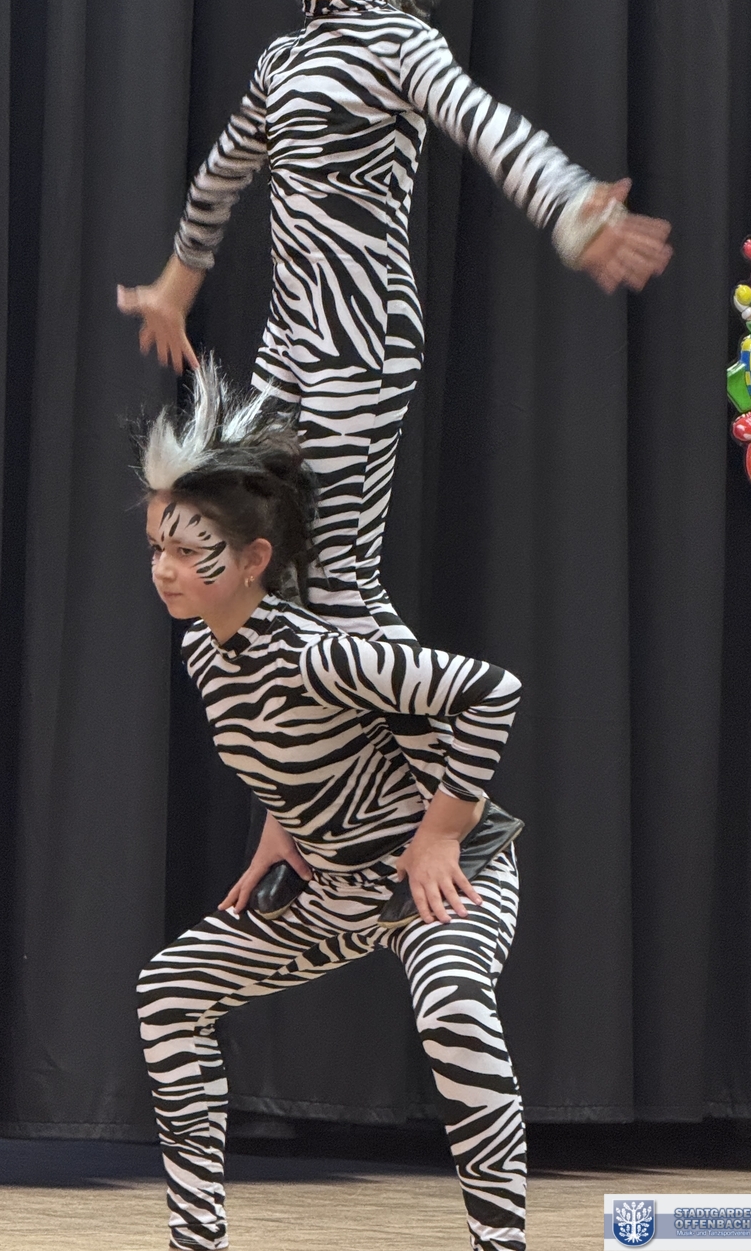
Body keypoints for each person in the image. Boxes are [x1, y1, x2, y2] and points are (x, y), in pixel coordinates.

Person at [118, 0, 672, 643]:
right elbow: (221, 176)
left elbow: (484, 124)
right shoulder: (281, 63)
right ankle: (343, 726)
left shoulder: (400, 44)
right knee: (265, 559)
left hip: (363, 337)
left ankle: (458, 721)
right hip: (292, 337)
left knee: (339, 580)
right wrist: (174, 290)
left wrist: (571, 206)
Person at [137, 358, 526, 1251]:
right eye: (157, 546)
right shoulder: (206, 651)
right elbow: (297, 744)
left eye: (188, 552)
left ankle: (499, 1243)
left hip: (442, 881)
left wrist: (441, 833)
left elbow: (490, 691)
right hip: (337, 886)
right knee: (168, 992)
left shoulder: (317, 652)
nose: (165, 568)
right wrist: (280, 827)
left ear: (253, 561)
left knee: (452, 1011)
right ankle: (195, 1238)